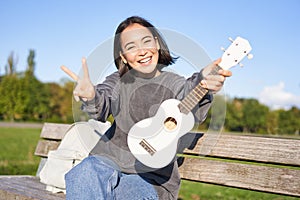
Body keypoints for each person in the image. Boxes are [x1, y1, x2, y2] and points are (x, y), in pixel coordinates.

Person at [63, 16, 232, 200]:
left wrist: (203, 80)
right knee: (83, 173)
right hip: (107, 162)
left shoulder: (173, 83)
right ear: (123, 57)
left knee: (130, 194)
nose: (142, 51)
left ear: (157, 44)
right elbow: (102, 104)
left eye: (146, 41)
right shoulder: (117, 81)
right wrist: (91, 96)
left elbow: (188, 94)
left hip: (149, 177)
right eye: (131, 47)